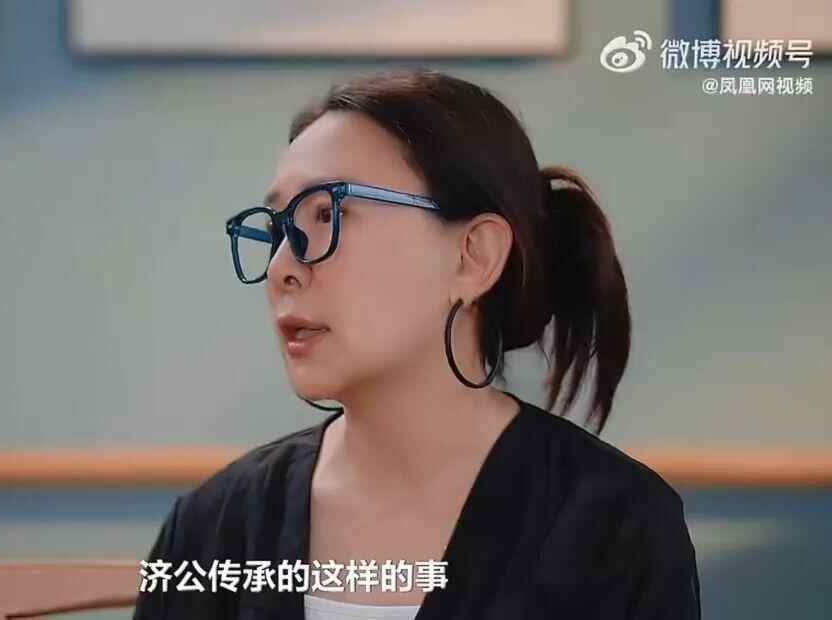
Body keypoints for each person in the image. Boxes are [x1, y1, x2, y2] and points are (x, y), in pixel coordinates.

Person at [132, 68, 701, 619]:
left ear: (473, 256)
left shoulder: (615, 526)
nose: (281, 267)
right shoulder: (213, 527)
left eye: (327, 214)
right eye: (277, 230)